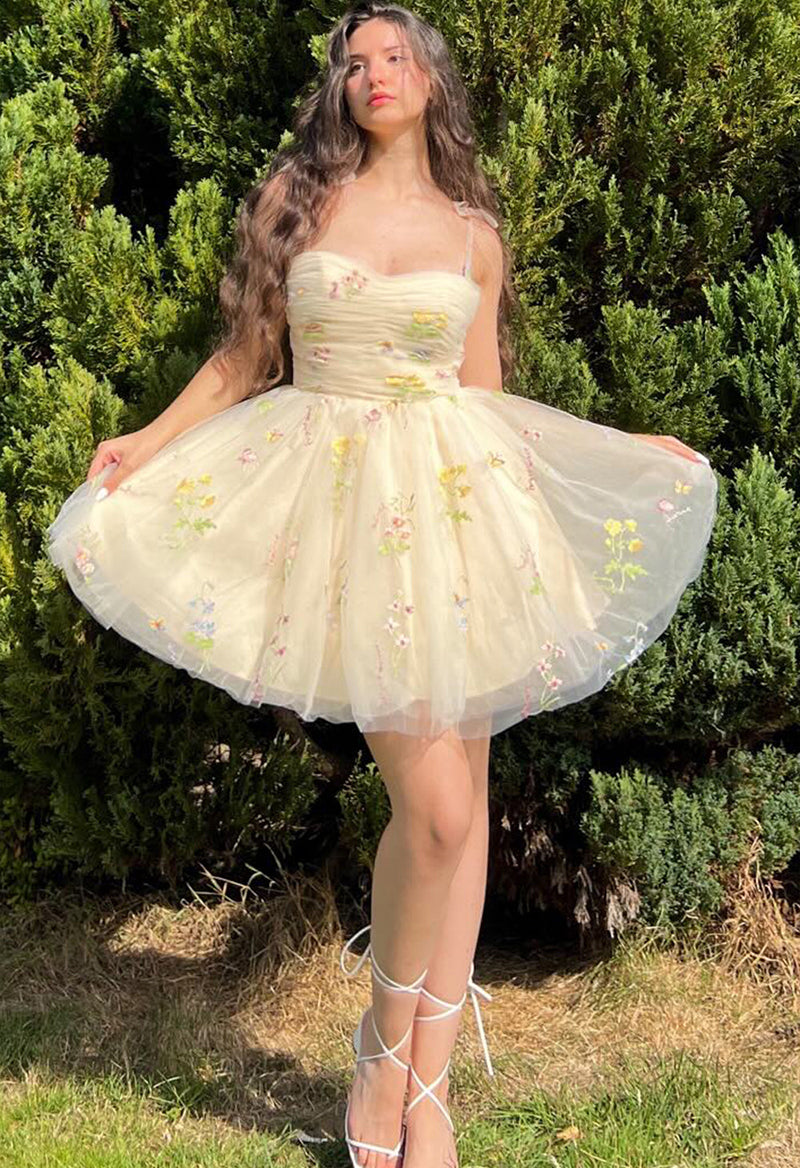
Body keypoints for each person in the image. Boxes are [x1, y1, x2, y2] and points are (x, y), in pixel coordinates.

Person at [45, 3, 719, 1165]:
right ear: (339, 90)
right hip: (342, 514)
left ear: (431, 80)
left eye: (395, 56)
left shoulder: (472, 235)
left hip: (460, 516)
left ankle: (427, 1093)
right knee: (439, 812)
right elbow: (246, 357)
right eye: (354, 63)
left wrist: (615, 446)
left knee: (463, 810)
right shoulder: (298, 201)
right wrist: (147, 440)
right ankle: (378, 1053)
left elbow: (486, 399)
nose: (374, 74)